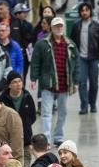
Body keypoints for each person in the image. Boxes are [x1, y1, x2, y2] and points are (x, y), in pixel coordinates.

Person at [31, 16, 78, 146]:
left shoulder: (70, 44)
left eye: (61, 26)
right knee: (46, 113)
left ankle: (58, 137)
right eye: (56, 26)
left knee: (63, 112)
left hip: (64, 84)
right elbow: (35, 61)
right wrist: (33, 78)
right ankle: (46, 138)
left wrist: (76, 82)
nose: (59, 28)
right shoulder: (42, 44)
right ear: (51, 28)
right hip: (48, 84)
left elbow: (76, 64)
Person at [69, 2, 99, 114]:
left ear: (90, 11)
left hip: (94, 57)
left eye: (86, 10)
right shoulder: (76, 25)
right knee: (82, 82)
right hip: (81, 58)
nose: (84, 12)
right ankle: (84, 106)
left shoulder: (98, 26)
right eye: (82, 10)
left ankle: (93, 104)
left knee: (94, 83)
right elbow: (72, 42)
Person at [0, 72, 37, 162]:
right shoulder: (3, 99)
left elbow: (33, 116)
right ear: (9, 85)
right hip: (8, 142)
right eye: (14, 82)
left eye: (20, 81)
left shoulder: (27, 97)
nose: (18, 84)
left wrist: (25, 126)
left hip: (26, 140)